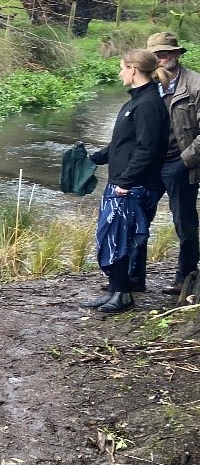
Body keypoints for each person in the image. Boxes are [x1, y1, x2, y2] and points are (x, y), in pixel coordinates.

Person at [86, 49, 169, 313]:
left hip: (134, 186)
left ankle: (123, 294)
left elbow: (147, 147)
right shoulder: (136, 101)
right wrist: (96, 157)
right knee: (113, 237)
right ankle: (115, 289)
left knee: (121, 237)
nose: (120, 72)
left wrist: (125, 180)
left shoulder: (148, 105)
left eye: (122, 67)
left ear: (133, 69)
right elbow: (123, 143)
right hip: (126, 182)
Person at [147, 31, 200, 295]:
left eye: (166, 52)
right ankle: (131, 278)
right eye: (156, 53)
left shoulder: (195, 84)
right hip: (150, 164)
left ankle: (186, 278)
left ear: (177, 54)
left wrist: (186, 159)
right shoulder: (145, 84)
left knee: (185, 222)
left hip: (182, 163)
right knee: (137, 219)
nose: (161, 57)